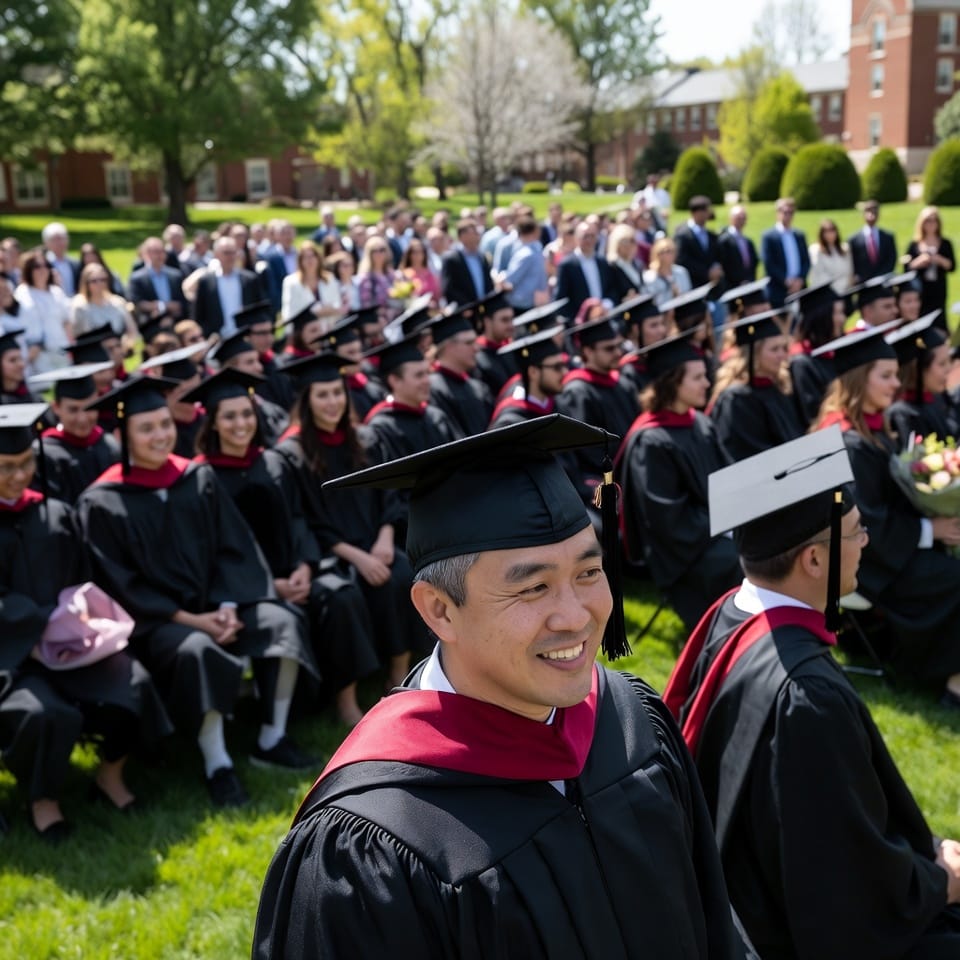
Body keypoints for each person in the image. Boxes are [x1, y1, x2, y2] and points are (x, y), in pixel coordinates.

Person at [252, 415, 743, 959]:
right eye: (533, 587)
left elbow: (713, 918)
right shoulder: (370, 845)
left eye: (588, 572)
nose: (575, 616)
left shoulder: (630, 720)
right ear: (439, 610)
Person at [663, 428, 960, 959]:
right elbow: (845, 886)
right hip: (785, 929)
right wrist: (939, 880)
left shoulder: (731, 612)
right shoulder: (806, 695)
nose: (867, 540)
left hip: (737, 885)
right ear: (814, 562)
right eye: (856, 530)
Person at [76, 377, 318, 808]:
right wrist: (192, 619)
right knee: (197, 650)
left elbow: (232, 547)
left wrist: (228, 605)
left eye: (165, 424)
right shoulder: (103, 501)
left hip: (221, 606)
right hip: (158, 624)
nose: (160, 435)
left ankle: (271, 737)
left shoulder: (196, 477)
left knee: (283, 622)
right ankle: (217, 762)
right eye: (146, 428)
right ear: (124, 436)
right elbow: (120, 584)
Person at [0, 403, 170, 839]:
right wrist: (36, 621)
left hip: (69, 644)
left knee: (134, 685)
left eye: (24, 464)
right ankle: (43, 800)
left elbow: (84, 577)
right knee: (44, 713)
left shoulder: (55, 514)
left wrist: (79, 616)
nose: (18, 477)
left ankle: (109, 775)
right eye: (5, 467)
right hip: (12, 659)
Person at [189, 368, 379, 727]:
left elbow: (297, 519)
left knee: (340, 595)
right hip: (236, 590)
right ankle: (284, 716)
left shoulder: (272, 462)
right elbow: (210, 549)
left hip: (292, 573)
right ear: (212, 423)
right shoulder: (201, 478)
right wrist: (269, 586)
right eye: (229, 416)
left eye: (247, 414)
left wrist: (304, 567)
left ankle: (345, 699)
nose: (241, 423)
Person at [812, 324, 960, 702]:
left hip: (894, 550)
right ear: (860, 380)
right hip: (871, 563)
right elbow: (869, 523)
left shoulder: (876, 427)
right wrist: (930, 530)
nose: (896, 384)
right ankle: (950, 682)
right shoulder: (846, 440)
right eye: (887, 375)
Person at [276, 353, 425, 690]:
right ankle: (347, 698)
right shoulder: (292, 455)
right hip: (329, 555)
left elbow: (389, 496)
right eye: (323, 395)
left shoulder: (366, 439)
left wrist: (385, 538)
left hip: (375, 543)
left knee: (401, 574)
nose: (333, 402)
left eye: (337, 393)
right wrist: (357, 557)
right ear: (307, 401)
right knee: (343, 598)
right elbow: (305, 519)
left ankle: (398, 676)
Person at [616, 330, 742, 630]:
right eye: (697, 378)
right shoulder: (652, 441)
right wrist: (723, 527)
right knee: (743, 559)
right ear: (672, 382)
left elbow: (729, 477)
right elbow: (668, 520)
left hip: (715, 529)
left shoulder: (699, 422)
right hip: (683, 552)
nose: (707, 383)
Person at [557, 313, 638, 513]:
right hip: (604, 483)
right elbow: (587, 452)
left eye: (618, 346)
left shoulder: (623, 383)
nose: (617, 353)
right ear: (587, 351)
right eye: (609, 349)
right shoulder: (577, 392)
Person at [709, 309, 803, 463]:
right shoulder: (736, 399)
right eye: (774, 349)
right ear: (753, 353)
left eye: (783, 348)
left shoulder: (779, 386)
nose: (782, 355)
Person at [27, 363, 121, 504]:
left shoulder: (110, 445)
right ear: (56, 408)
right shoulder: (43, 454)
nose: (82, 418)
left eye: (89, 408)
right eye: (73, 410)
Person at [362, 335, 460, 464]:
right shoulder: (382, 428)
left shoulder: (436, 416)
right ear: (394, 381)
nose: (427, 381)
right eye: (419, 375)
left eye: (427, 373)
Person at [886, 312, 953, 448]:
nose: (949, 369)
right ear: (917, 369)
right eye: (942, 364)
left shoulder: (935, 398)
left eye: (949, 361)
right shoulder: (902, 414)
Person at [427, 310, 493, 439]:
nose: (476, 348)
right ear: (448, 346)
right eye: (469, 343)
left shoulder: (478, 387)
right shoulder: (432, 390)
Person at [786, 282, 845, 426]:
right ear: (821, 317)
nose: (842, 319)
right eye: (837, 313)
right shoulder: (801, 363)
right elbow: (813, 414)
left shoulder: (836, 353)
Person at [489, 325, 569, 428]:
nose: (565, 372)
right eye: (557, 367)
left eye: (564, 365)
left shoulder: (560, 406)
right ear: (533, 372)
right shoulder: (511, 423)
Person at [16, 248, 72, 375]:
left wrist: (71, 346)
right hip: (38, 353)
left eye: (46, 266)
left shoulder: (56, 292)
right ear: (28, 270)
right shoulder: (22, 293)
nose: (43, 270)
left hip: (61, 349)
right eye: (37, 267)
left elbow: (66, 321)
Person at [554, 221, 615, 320]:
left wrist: (606, 305)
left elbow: (611, 288)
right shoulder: (567, 265)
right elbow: (561, 298)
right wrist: (582, 316)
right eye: (585, 236)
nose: (589, 240)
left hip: (605, 316)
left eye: (592, 236)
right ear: (577, 238)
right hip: (581, 323)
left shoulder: (602, 262)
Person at [127, 236, 188, 333]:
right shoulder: (137, 278)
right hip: (150, 324)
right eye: (155, 252)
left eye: (162, 251)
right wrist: (163, 306)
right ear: (146, 254)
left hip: (175, 322)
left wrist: (171, 313)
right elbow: (137, 302)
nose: (160, 255)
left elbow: (182, 302)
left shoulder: (176, 275)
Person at [906, 206, 955, 326]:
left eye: (934, 220)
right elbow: (907, 267)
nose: (931, 224)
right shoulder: (914, 244)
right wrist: (920, 261)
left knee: (940, 319)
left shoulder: (945, 243)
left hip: (938, 288)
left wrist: (939, 260)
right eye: (928, 220)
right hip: (920, 288)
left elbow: (952, 266)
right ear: (922, 223)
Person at [615, 294, 670, 400]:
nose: (662, 330)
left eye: (662, 323)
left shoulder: (667, 359)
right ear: (636, 329)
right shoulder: (628, 371)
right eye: (654, 325)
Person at [760, 197, 810, 308]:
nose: (788, 215)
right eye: (785, 212)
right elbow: (769, 263)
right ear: (777, 213)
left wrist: (800, 280)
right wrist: (786, 281)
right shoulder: (769, 236)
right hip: (779, 290)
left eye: (791, 212)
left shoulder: (799, 235)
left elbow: (806, 261)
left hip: (800, 288)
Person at [71, 262, 137, 343]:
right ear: (86, 283)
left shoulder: (118, 302)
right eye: (94, 281)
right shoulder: (78, 306)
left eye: (103, 280)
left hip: (118, 349)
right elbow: (74, 335)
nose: (99, 284)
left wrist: (126, 343)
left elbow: (132, 331)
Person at [281, 240, 342, 328]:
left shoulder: (329, 278)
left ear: (318, 258)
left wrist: (315, 312)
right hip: (304, 332)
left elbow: (337, 306)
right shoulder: (291, 282)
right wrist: (320, 312)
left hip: (329, 329)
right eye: (305, 257)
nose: (310, 260)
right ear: (300, 260)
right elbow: (290, 312)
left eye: (312, 256)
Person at [471, 290, 517, 398]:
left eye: (511, 319)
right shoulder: (477, 357)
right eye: (504, 320)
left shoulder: (512, 349)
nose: (511, 326)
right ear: (487, 322)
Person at [848, 198, 898, 283]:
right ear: (862, 214)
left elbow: (891, 260)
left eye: (874, 211)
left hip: (884, 282)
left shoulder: (888, 237)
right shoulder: (853, 240)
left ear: (879, 214)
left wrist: (879, 278)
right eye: (868, 211)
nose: (871, 214)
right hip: (863, 284)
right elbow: (852, 263)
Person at [716, 204, 758, 291]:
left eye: (744, 218)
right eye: (738, 217)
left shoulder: (748, 241)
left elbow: (753, 263)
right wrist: (738, 281)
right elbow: (724, 265)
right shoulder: (724, 240)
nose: (741, 220)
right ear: (731, 218)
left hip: (748, 285)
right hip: (731, 287)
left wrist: (749, 280)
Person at [643, 237, 692, 308]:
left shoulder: (682, 271)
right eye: (666, 251)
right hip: (661, 312)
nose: (670, 254)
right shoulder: (649, 277)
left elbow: (688, 294)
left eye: (672, 251)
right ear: (657, 254)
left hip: (683, 309)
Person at [807, 218, 852, 294]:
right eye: (826, 232)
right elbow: (819, 276)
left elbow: (850, 272)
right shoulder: (816, 250)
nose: (830, 234)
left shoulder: (845, 249)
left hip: (845, 291)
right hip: (825, 295)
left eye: (832, 231)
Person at [399, 237, 441, 305]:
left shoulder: (430, 273)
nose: (417, 255)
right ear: (409, 255)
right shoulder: (404, 274)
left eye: (420, 252)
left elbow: (437, 294)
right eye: (414, 252)